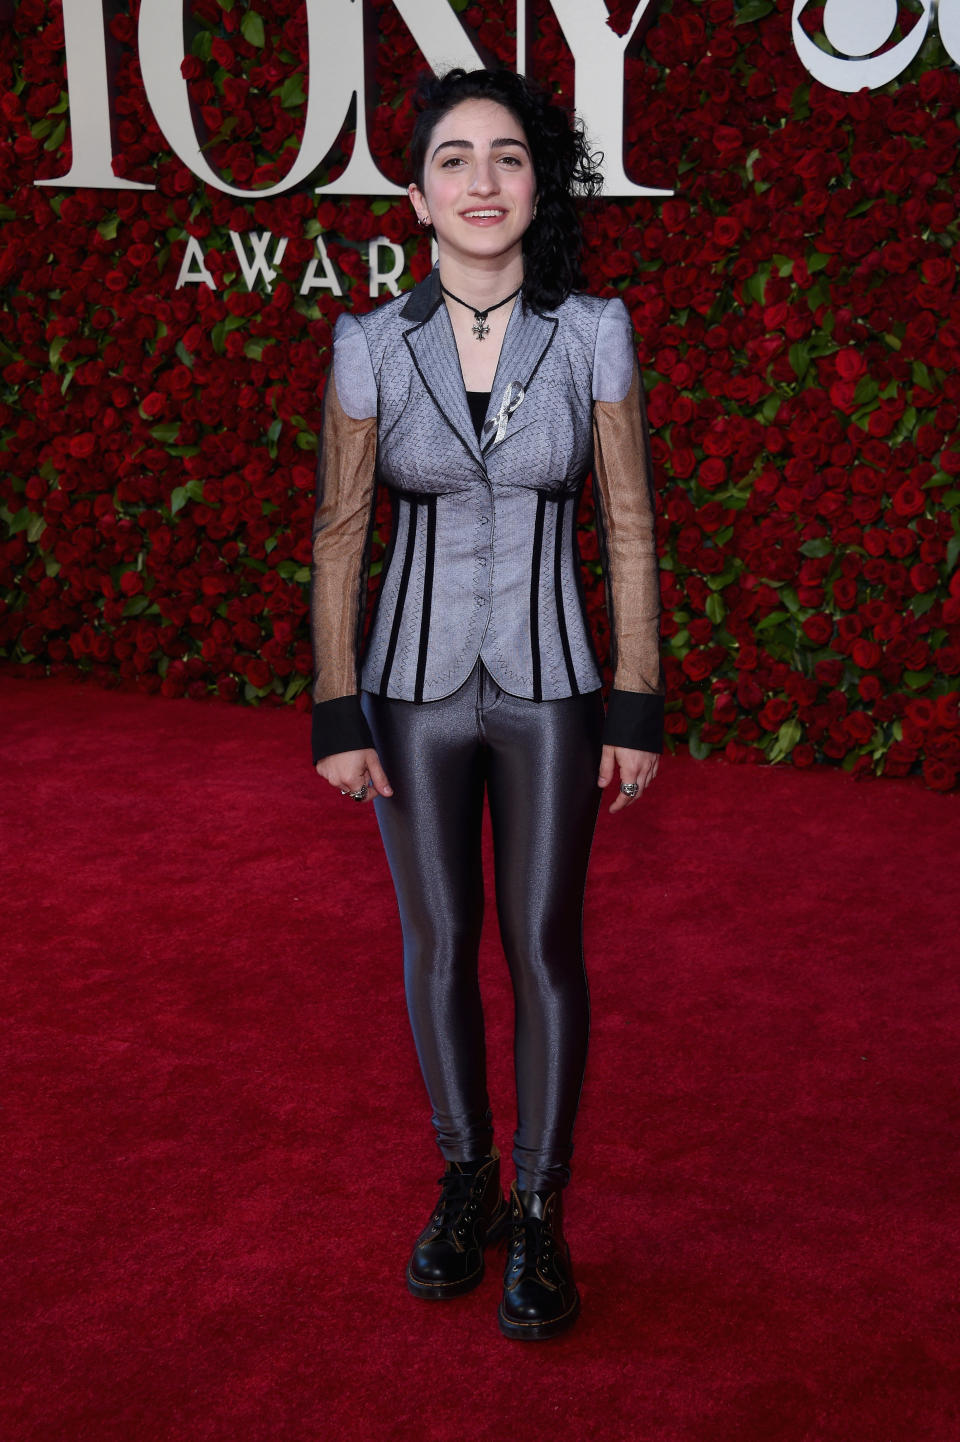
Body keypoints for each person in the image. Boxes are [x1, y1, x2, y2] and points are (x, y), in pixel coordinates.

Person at [310, 66, 663, 1341]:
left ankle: (541, 1206)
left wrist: (634, 702)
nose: (480, 181)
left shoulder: (594, 331)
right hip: (405, 694)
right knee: (440, 942)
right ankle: (467, 1184)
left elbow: (627, 522)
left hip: (557, 689)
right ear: (414, 195)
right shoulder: (367, 341)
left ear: (535, 185)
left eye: (506, 157)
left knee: (544, 943)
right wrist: (336, 710)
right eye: (452, 160)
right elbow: (340, 535)